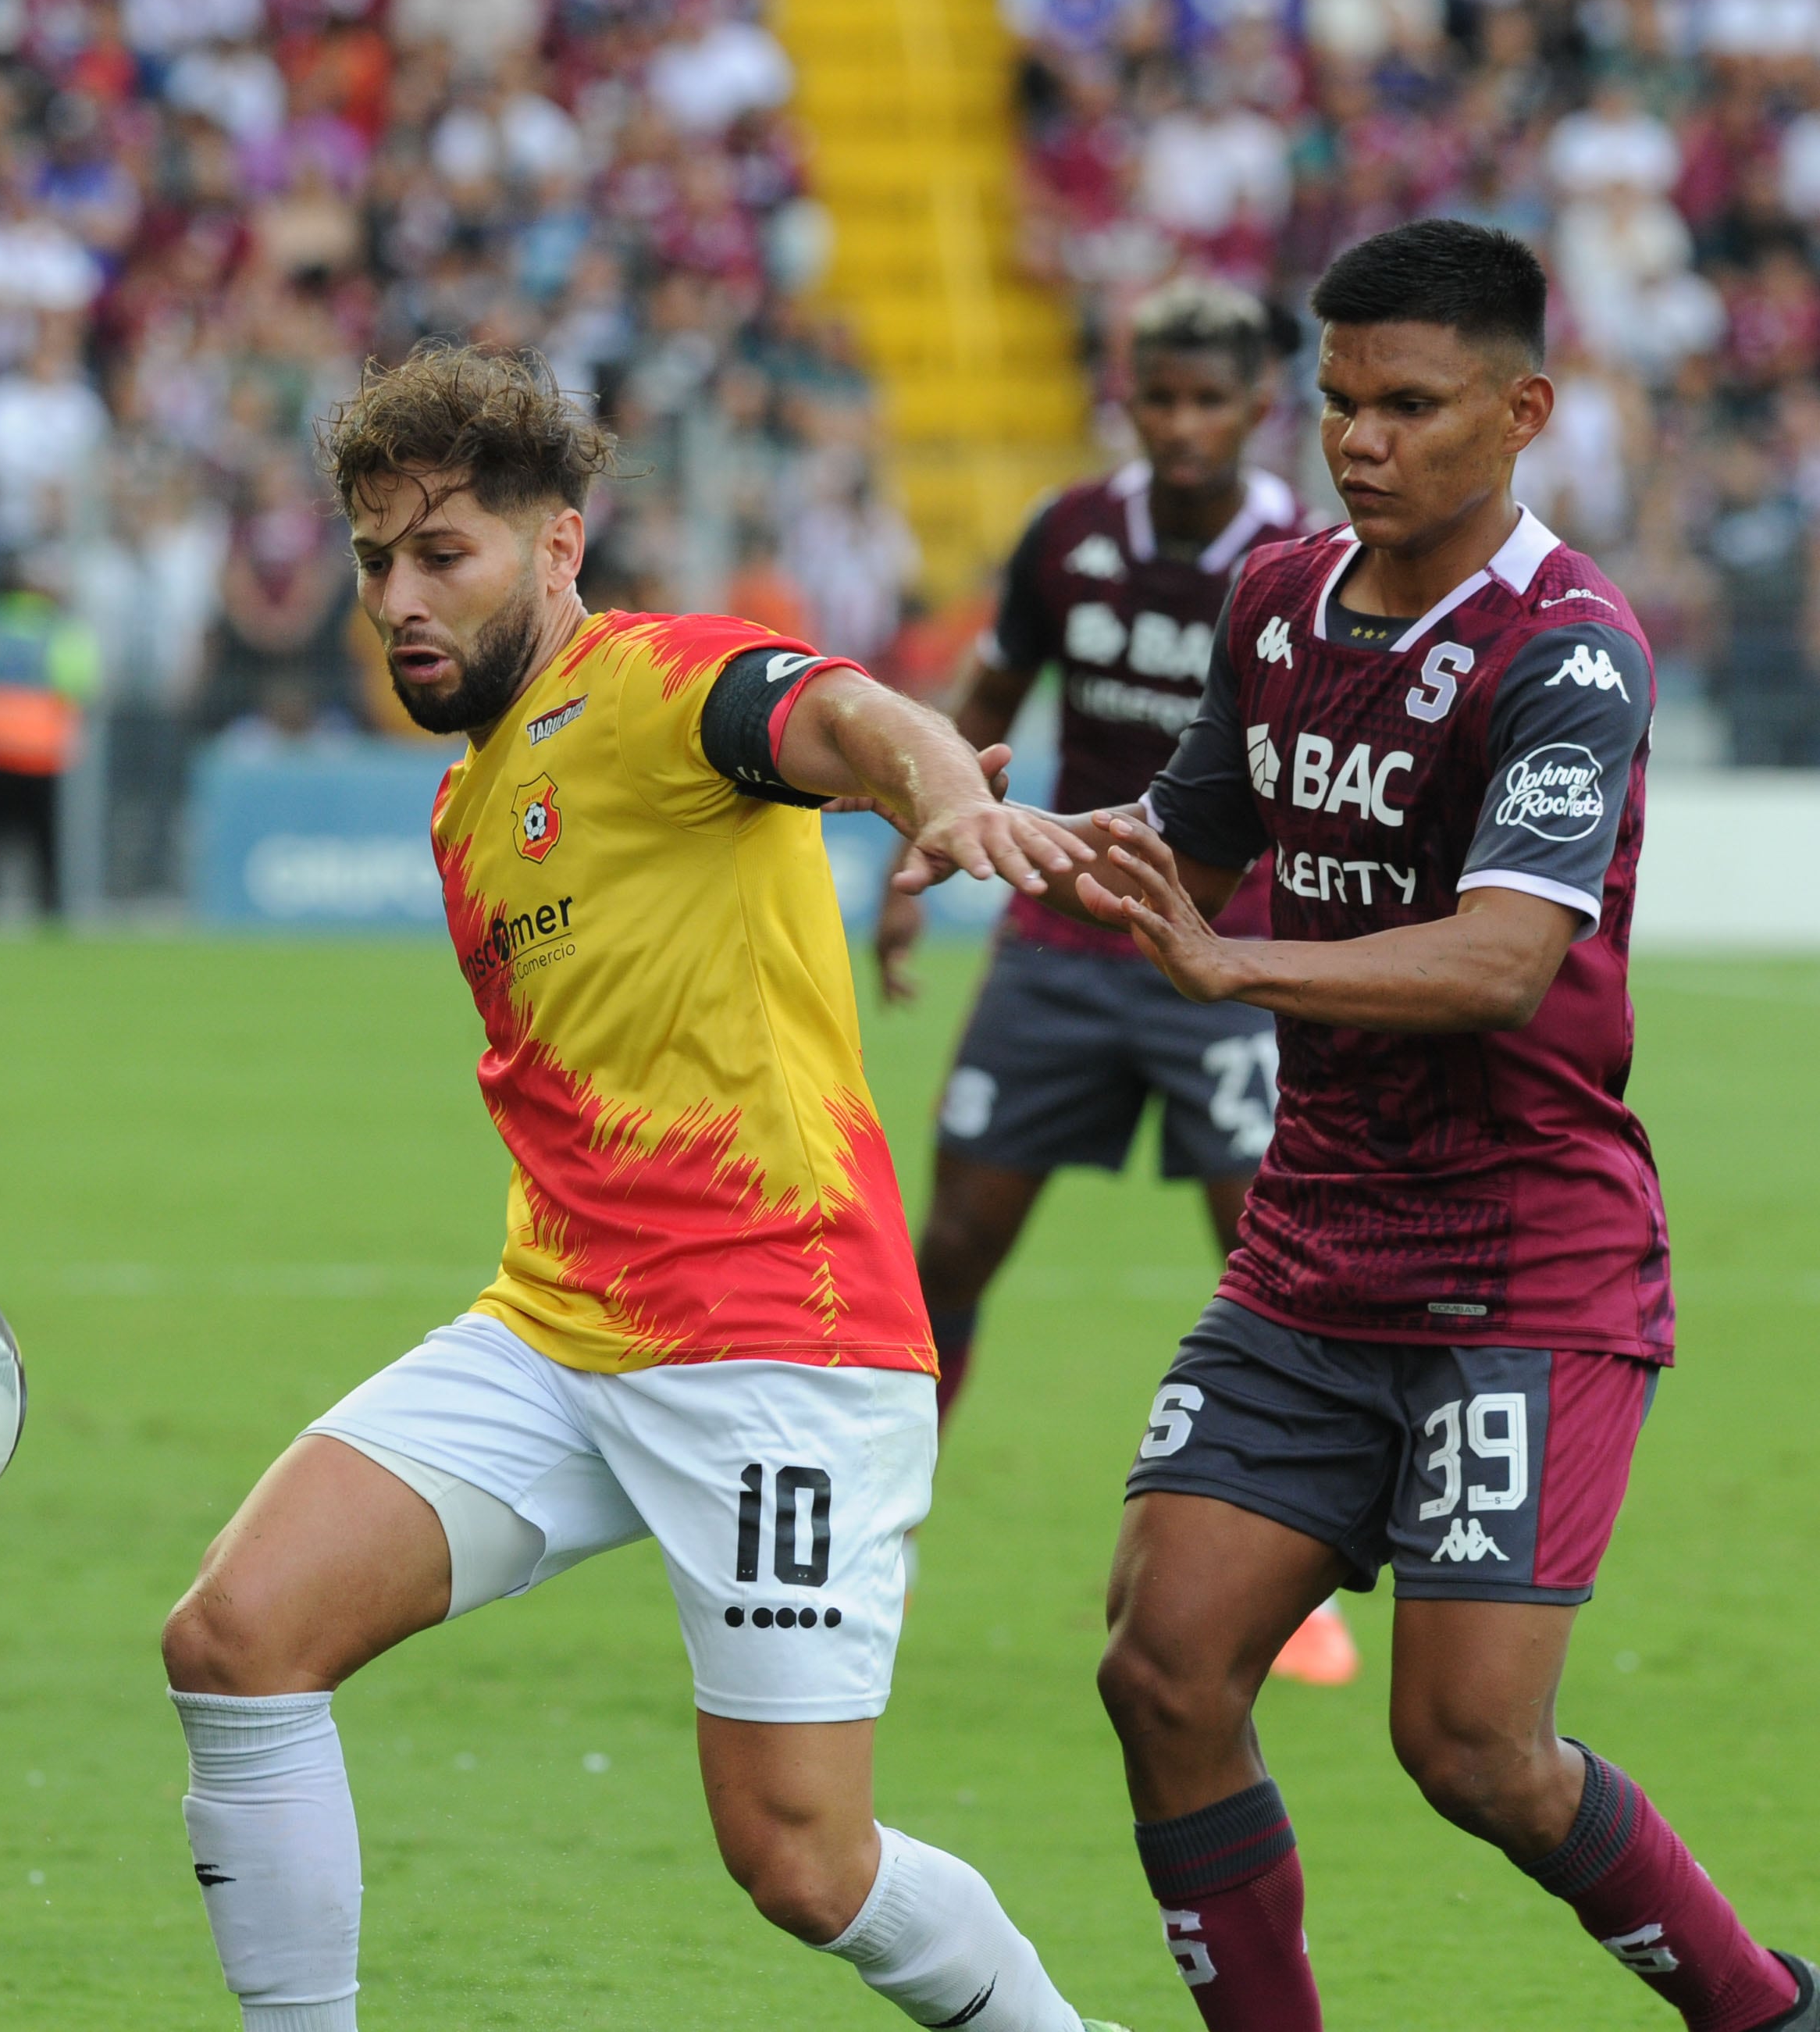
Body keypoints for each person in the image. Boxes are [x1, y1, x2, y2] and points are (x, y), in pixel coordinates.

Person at [158, 344, 1127, 2032]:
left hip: (776, 1339)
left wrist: (945, 789)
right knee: (236, 1638)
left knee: (802, 1864)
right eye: (377, 559)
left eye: (441, 554)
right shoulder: (468, 804)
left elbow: (836, 713)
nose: (399, 597)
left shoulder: (664, 686)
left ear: (556, 544)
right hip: (557, 1328)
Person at [1048, 222, 1820, 2032]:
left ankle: (1768, 2013)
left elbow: (1500, 960)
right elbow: (1178, 852)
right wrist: (1009, 839)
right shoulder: (1274, 602)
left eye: (1410, 404)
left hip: (1522, 1261)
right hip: (1313, 1246)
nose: (1360, 440)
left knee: (1473, 1745)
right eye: (1342, 400)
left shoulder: (1568, 651)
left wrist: (1232, 963)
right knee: (1164, 1668)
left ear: (1523, 410)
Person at [880, 278, 1359, 1687]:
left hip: (1226, 955)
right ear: (1129, 397)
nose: (1186, 425)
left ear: (1257, 408)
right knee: (955, 1241)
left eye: (1213, 400)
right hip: (1061, 943)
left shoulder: (1309, 559)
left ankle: (1293, 1583)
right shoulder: (1069, 535)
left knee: (1269, 1263)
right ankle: (874, 1529)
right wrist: (917, 846)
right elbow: (982, 708)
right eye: (1162, 398)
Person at [0, 558, 98, 924]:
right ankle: (52, 910)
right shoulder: (60, 629)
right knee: (45, 842)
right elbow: (81, 682)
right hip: (42, 751)